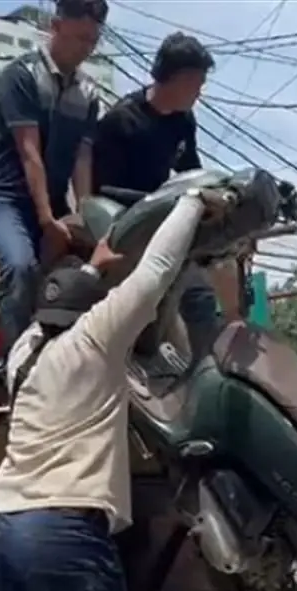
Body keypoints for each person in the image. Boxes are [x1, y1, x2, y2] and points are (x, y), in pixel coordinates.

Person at [0, 190, 215, 591]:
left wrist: (90, 268)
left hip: (3, 531)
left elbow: (69, 299)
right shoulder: (95, 339)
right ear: (90, 310)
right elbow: (156, 270)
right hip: (64, 532)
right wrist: (193, 203)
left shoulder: (23, 352)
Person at [0, 0, 106, 354]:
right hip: (3, 200)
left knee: (92, 274)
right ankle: (14, 367)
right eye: (80, 38)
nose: (86, 48)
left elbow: (83, 158)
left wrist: (83, 215)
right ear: (56, 26)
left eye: (92, 41)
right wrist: (47, 220)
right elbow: (29, 152)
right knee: (21, 267)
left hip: (53, 203)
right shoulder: (20, 76)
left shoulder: (88, 94)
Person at [91, 32, 233, 356]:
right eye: (197, 82)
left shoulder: (184, 121)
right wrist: (156, 204)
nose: (200, 92)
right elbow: (102, 191)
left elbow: (191, 172)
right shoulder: (120, 121)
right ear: (179, 79)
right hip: (127, 228)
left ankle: (200, 376)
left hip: (165, 223)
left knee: (199, 296)